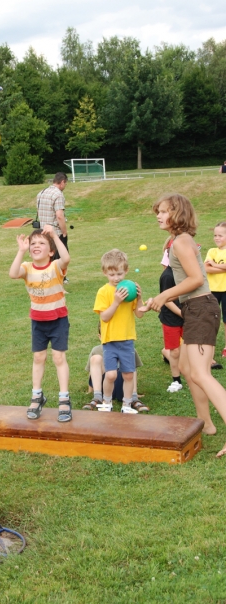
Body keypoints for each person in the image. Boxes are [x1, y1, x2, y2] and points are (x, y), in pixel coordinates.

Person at [141, 193, 226, 458]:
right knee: (189, 370)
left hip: (201, 308)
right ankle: (207, 424)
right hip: (194, 309)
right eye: (158, 211)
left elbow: (196, 278)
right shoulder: (177, 241)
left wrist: (165, 296)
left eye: (164, 211)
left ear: (177, 214)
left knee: (201, 373)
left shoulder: (181, 241)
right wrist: (158, 298)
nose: (158, 215)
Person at [9, 224, 71, 422]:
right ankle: (37, 396)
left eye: (42, 243)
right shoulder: (27, 268)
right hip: (38, 321)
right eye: (32, 243)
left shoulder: (55, 266)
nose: (36, 245)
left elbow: (66, 258)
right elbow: (12, 273)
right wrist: (20, 251)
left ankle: (64, 399)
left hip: (58, 319)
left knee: (58, 358)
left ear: (51, 251)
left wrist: (54, 235)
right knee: (38, 358)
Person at [93, 249, 145, 413]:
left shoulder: (129, 289)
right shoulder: (103, 292)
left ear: (126, 271)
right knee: (111, 375)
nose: (116, 278)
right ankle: (106, 402)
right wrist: (116, 302)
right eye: (112, 274)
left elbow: (139, 314)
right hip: (110, 341)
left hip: (127, 339)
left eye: (120, 274)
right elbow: (105, 317)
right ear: (105, 273)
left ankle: (127, 404)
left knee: (128, 374)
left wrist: (140, 298)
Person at [83, 338, 149, 412]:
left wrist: (135, 393)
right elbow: (92, 371)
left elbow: (133, 371)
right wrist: (90, 390)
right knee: (96, 358)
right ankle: (97, 397)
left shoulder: (129, 348)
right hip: (104, 385)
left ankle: (133, 398)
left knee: (130, 359)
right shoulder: (96, 350)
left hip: (122, 384)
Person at [158, 240, 185, 392]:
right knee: (174, 350)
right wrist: (182, 313)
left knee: (187, 348)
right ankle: (176, 380)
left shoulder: (186, 272)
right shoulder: (167, 276)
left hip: (186, 315)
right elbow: (166, 300)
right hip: (172, 318)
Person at [37, 172, 69, 282]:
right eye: (65, 184)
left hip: (42, 231)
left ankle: (45, 278)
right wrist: (64, 232)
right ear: (62, 182)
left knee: (47, 256)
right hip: (55, 231)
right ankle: (61, 278)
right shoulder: (58, 194)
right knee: (61, 256)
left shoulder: (41, 193)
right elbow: (59, 216)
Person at [204, 221, 226, 359]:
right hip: (212, 291)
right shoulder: (212, 251)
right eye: (215, 235)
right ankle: (208, 347)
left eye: (220, 235)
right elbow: (206, 268)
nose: (217, 238)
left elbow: (211, 267)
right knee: (210, 319)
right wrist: (222, 267)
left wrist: (214, 265)